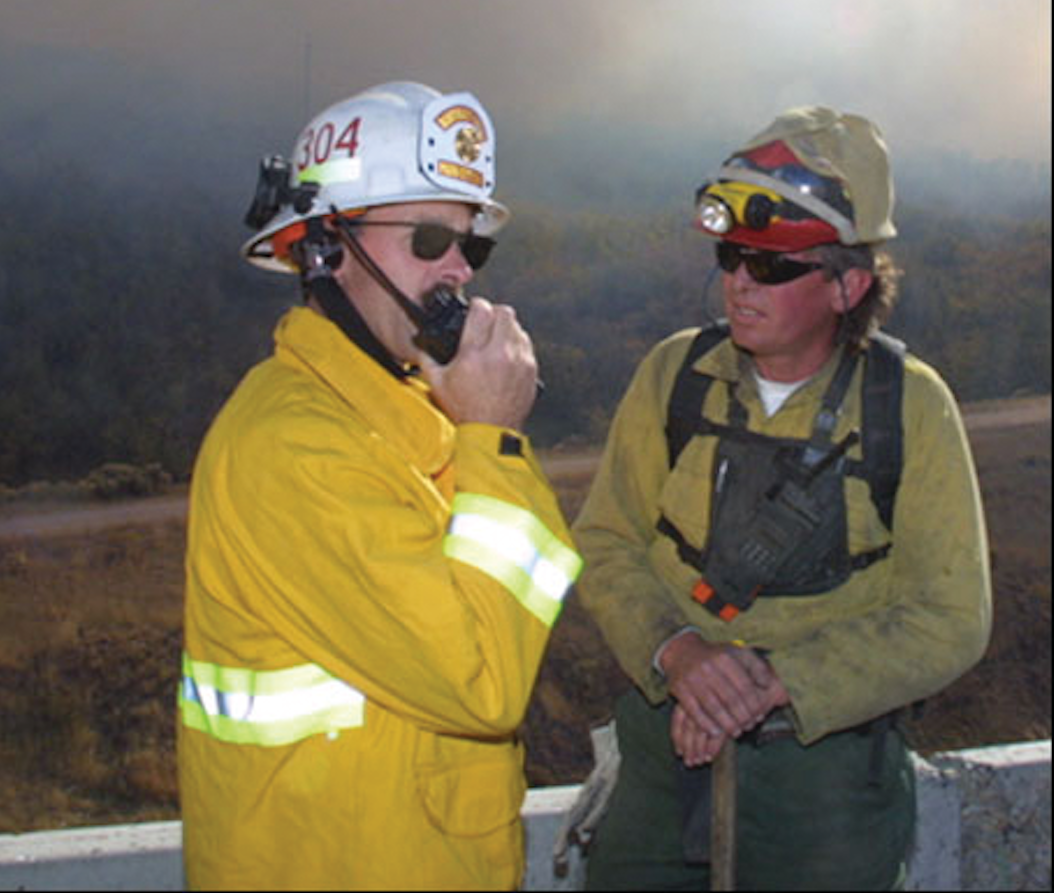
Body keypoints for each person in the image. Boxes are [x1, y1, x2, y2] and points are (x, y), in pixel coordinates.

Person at [572, 106, 991, 890]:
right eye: (731, 255)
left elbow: (950, 618)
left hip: (823, 786)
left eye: (769, 266)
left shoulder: (907, 407)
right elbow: (604, 542)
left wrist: (772, 684)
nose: (736, 281)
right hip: (662, 759)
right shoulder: (674, 377)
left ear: (847, 285)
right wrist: (681, 656)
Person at [177, 81, 582, 890]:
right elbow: (481, 683)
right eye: (430, 236)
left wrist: (471, 427)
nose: (460, 267)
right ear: (324, 248)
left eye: (472, 244)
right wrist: (493, 438)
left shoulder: (404, 412)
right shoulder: (292, 447)